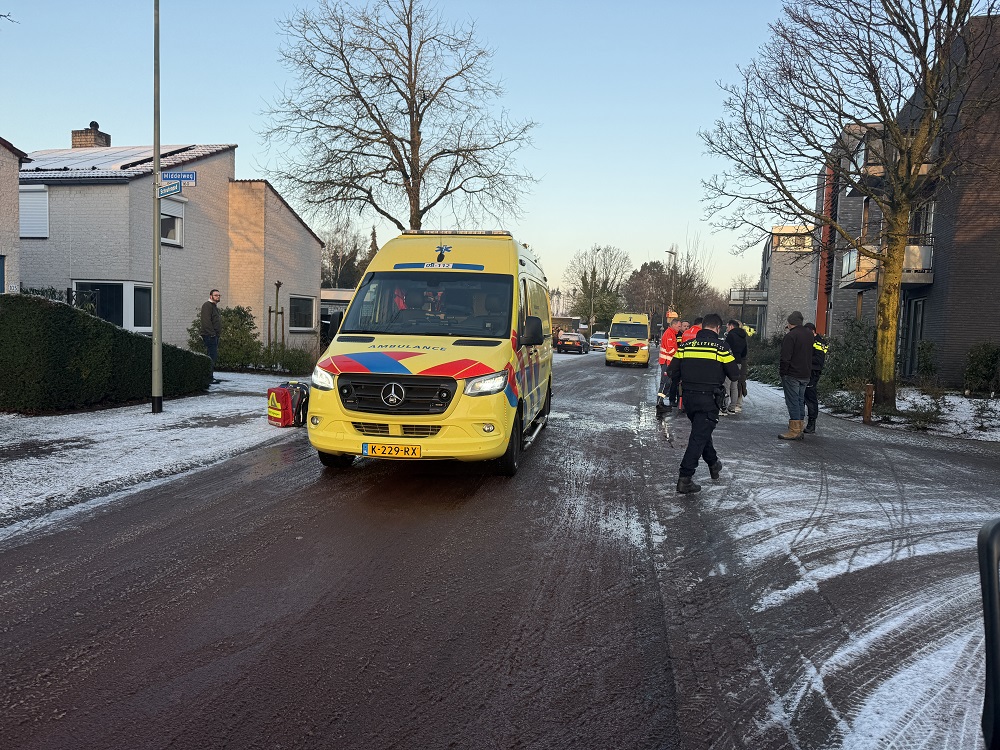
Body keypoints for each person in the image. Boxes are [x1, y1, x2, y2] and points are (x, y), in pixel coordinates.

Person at [667, 313, 739, 494]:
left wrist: (682, 382)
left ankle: (714, 464)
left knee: (701, 432)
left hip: (689, 400)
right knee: (698, 437)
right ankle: (685, 478)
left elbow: (671, 371)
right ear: (717, 328)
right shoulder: (721, 347)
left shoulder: (685, 345)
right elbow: (734, 375)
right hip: (709, 400)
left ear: (701, 327)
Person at [778, 311, 813, 439]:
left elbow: (785, 357)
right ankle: (800, 428)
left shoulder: (791, 336)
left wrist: (783, 372)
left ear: (790, 323)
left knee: (792, 401)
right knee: (799, 401)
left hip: (792, 374)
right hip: (805, 373)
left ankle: (794, 431)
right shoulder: (809, 334)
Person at [803, 322, 829, 434]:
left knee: (810, 398)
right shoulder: (811, 341)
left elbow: (819, 360)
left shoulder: (819, 343)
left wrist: (804, 358)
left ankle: (811, 423)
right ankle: (801, 422)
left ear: (812, 332)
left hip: (813, 373)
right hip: (806, 372)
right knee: (804, 398)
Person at [656, 317, 683, 414]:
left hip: (668, 362)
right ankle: (659, 403)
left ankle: (661, 402)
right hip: (666, 363)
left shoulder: (671, 333)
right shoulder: (669, 334)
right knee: (665, 383)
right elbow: (671, 350)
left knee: (666, 383)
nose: (679, 328)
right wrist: (680, 356)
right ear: (674, 325)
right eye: (679, 326)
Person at [724, 319, 749, 413]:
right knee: (734, 385)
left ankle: (724, 406)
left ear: (731, 326)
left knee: (726, 384)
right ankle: (733, 406)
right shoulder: (743, 336)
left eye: (727, 326)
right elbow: (745, 352)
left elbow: (726, 348)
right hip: (738, 362)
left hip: (729, 361)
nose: (726, 328)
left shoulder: (730, 335)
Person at [200, 289, 223, 385]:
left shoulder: (214, 306)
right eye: (215, 295)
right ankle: (208, 378)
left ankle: (210, 377)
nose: (218, 297)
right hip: (210, 336)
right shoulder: (207, 306)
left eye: (219, 295)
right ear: (211, 296)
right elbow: (206, 321)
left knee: (212, 356)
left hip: (214, 335)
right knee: (211, 356)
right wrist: (212, 334)